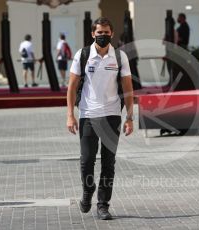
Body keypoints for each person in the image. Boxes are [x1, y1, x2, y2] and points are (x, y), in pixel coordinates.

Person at [66, 17, 134, 220]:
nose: (103, 36)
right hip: (88, 115)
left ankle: (103, 205)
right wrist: (70, 115)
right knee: (87, 161)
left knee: (108, 163)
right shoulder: (83, 55)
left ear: (112, 34)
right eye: (99, 33)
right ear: (92, 34)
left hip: (112, 116)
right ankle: (88, 192)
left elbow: (129, 88)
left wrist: (130, 117)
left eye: (106, 33)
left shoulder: (120, 57)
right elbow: (71, 87)